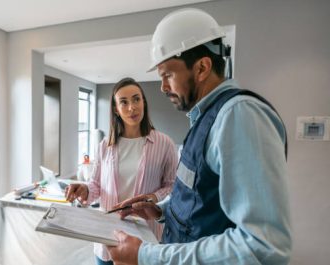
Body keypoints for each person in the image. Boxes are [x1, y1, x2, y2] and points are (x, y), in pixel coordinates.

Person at [107, 8, 292, 265]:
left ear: (202, 67)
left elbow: (264, 246)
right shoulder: (207, 119)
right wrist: (160, 209)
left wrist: (145, 255)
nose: (163, 87)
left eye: (168, 75)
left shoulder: (239, 116)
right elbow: (200, 198)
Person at [65, 77, 178, 265]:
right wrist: (85, 189)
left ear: (144, 102)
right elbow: (96, 185)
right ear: (116, 109)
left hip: (146, 241)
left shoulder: (165, 143)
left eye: (136, 99)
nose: (132, 107)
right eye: (124, 103)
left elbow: (172, 186)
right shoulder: (105, 146)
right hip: (108, 238)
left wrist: (151, 198)